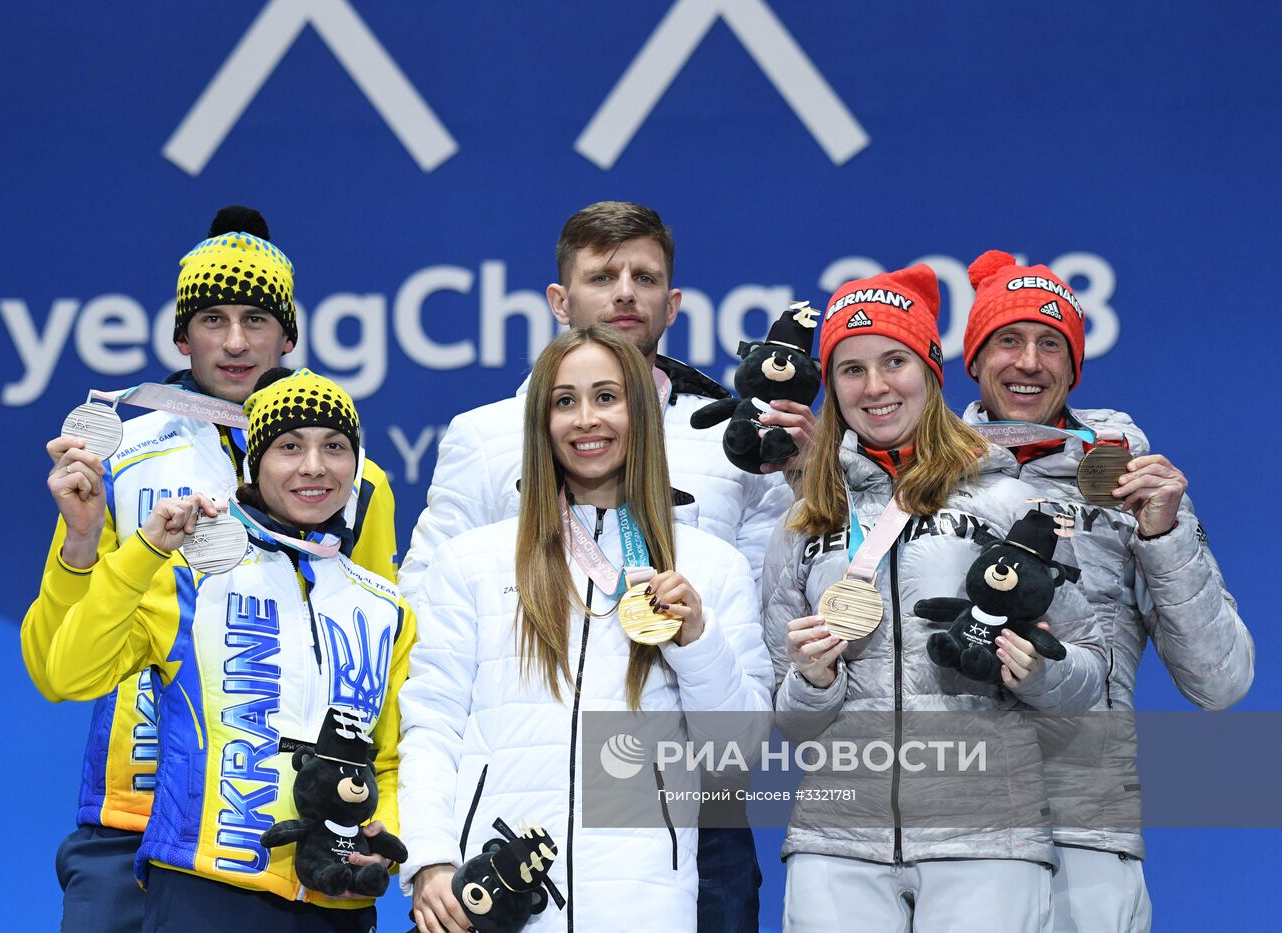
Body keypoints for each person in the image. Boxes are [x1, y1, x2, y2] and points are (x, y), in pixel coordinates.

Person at [398, 201, 788, 929]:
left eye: (609, 399)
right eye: (567, 402)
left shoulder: (714, 556)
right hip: (503, 862)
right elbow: (433, 710)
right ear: (537, 421)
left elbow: (740, 745)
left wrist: (698, 638)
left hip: (656, 853)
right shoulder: (474, 557)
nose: (587, 420)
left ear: (644, 415)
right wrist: (429, 852)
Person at [19, 207, 397, 932]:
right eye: (212, 318)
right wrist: (81, 542)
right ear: (179, 334)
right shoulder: (117, 458)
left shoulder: (356, 485)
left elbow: (368, 681)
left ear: (288, 335)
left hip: (282, 838)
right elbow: (51, 663)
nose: (233, 341)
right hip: (129, 814)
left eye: (256, 319)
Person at [763, 264, 1107, 933]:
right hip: (837, 846)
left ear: (930, 367)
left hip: (987, 840)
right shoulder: (806, 519)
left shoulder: (1011, 501)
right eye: (851, 369)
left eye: (894, 360)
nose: (876, 386)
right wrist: (812, 679)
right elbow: (793, 720)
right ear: (831, 387)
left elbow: (1089, 673)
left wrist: (1041, 672)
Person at [960, 249, 1253, 932]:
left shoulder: (1128, 485)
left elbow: (1224, 679)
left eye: (1050, 343)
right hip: (951, 834)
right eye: (1008, 339)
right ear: (974, 358)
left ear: (1074, 366)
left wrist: (1165, 535)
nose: (1029, 361)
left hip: (1086, 832)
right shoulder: (924, 476)